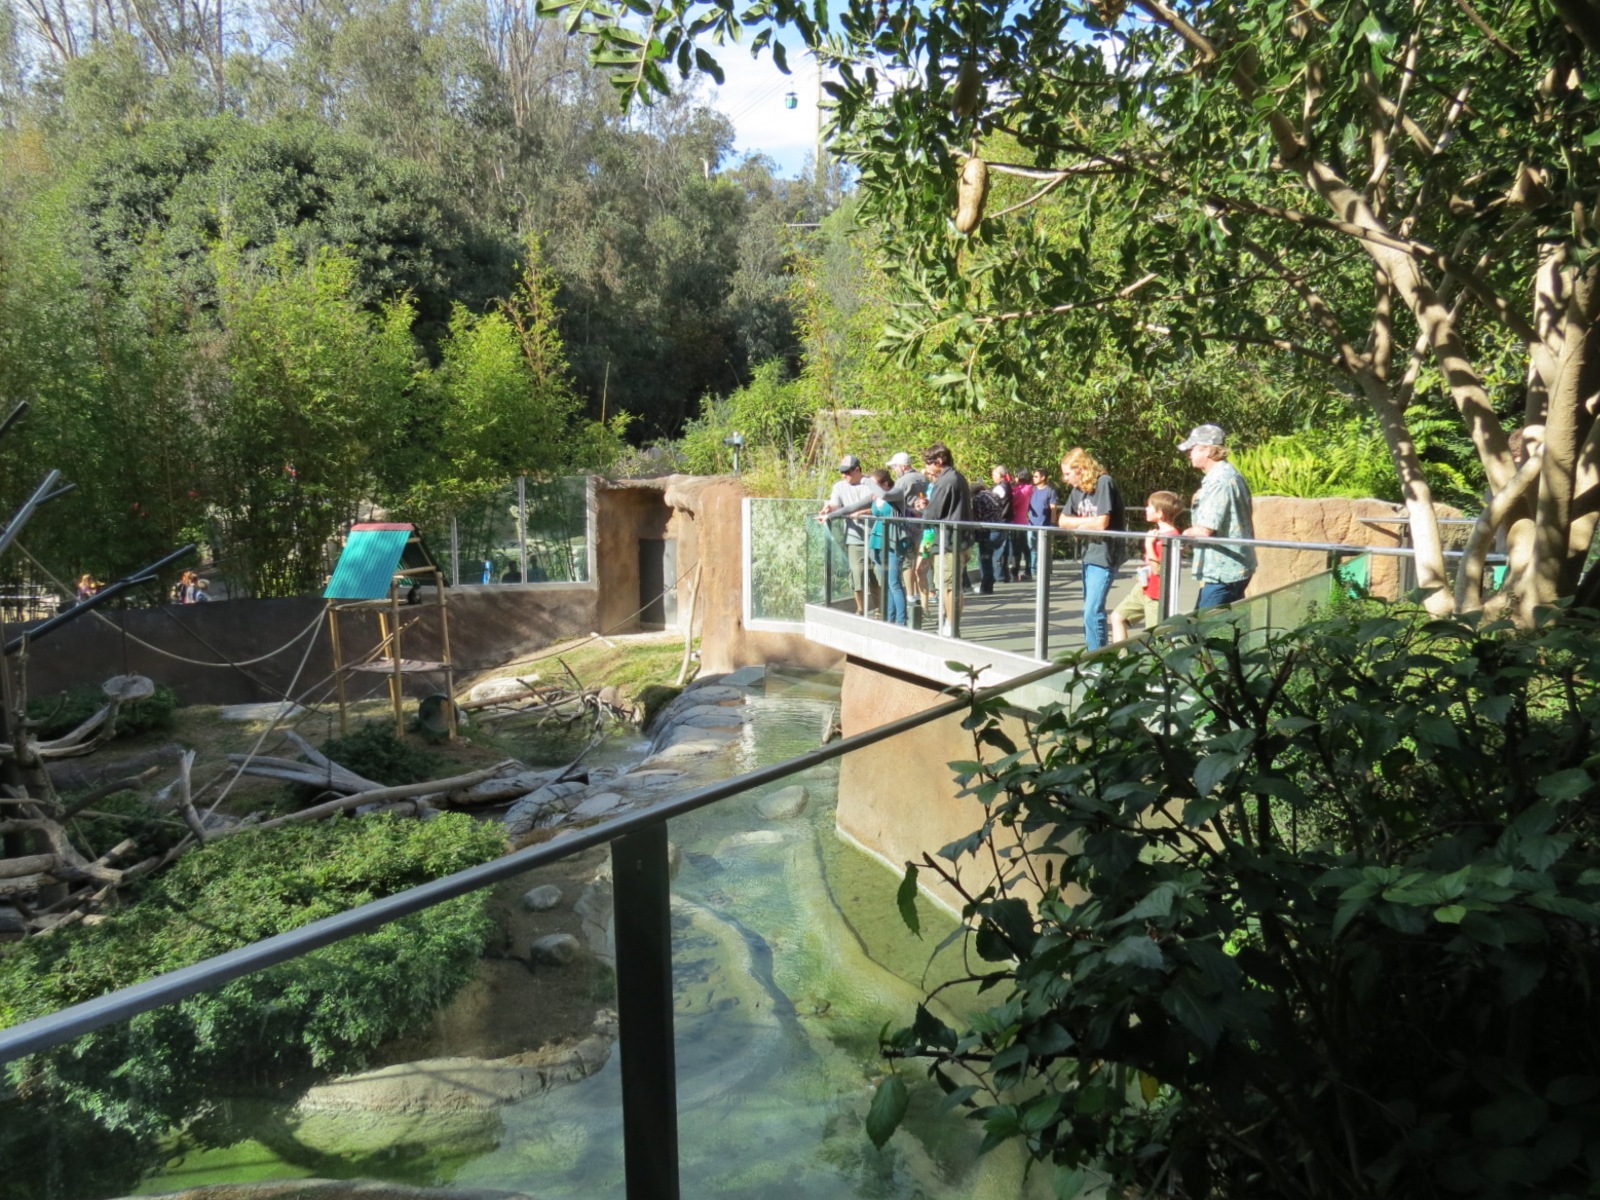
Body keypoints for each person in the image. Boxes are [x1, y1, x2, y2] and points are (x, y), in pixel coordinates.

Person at [1179, 424, 1257, 609]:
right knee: (1229, 621)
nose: (1189, 454)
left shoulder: (1219, 480)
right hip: (1232, 567)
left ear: (1207, 450)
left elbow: (1205, 529)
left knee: (1204, 623)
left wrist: (1180, 537)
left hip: (1224, 570)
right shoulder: (1227, 474)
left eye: (1192, 449)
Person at [1058, 447, 1128, 652]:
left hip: (1105, 554)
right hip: (1089, 554)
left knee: (1092, 611)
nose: (1065, 479)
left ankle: (1099, 659)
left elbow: (1102, 522)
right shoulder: (1077, 490)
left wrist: (1081, 525)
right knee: (1089, 610)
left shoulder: (1104, 482)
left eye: (1068, 473)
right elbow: (1062, 521)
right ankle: (1095, 654)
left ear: (1080, 469)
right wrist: (1087, 522)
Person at [1109, 491, 1183, 642]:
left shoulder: (1170, 537)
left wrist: (1148, 544)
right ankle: (1122, 656)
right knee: (1117, 617)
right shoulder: (1157, 533)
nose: (1146, 509)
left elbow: (1159, 570)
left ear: (1160, 513)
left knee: (1156, 638)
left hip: (1157, 595)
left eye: (1149, 506)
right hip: (1144, 588)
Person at [819, 454, 882, 614]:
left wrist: (864, 512)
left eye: (847, 472)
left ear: (857, 470)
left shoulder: (871, 484)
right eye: (842, 472)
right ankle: (860, 610)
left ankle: (881, 609)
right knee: (857, 575)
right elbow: (835, 505)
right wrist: (829, 509)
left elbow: (881, 507)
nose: (844, 475)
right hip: (854, 538)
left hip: (875, 537)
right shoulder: (839, 487)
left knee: (877, 576)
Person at [919, 442, 971, 633]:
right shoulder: (957, 477)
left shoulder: (946, 481)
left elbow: (931, 516)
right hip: (960, 540)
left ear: (939, 461)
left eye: (929, 463)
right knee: (953, 586)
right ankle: (951, 624)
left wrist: (923, 550)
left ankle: (951, 626)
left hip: (948, 542)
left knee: (948, 587)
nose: (927, 467)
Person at [866, 468, 910, 625]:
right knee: (885, 583)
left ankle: (902, 621)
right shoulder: (875, 496)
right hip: (877, 541)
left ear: (885, 483)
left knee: (894, 582)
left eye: (874, 484)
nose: (872, 488)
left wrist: (865, 480)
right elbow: (854, 506)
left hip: (893, 540)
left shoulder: (895, 493)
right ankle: (890, 619)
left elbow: (885, 495)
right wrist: (830, 513)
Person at [971, 472, 1010, 594]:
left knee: (984, 558)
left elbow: (978, 517)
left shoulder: (977, 499)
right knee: (990, 556)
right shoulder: (993, 495)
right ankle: (989, 584)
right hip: (1000, 529)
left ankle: (986, 586)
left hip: (987, 531)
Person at [1026, 467, 1060, 580]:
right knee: (1032, 547)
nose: (1033, 478)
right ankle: (1033, 569)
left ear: (1043, 477)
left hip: (1045, 525)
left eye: (1036, 476)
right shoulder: (1031, 489)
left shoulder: (1050, 490)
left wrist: (1052, 523)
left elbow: (1053, 508)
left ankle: (1046, 569)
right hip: (1031, 523)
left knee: (1045, 548)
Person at [1008, 467, 1034, 582]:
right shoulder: (1029, 488)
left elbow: (1013, 503)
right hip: (1024, 520)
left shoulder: (1020, 490)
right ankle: (1028, 570)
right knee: (1024, 547)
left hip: (1016, 521)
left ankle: (1014, 571)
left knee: (1016, 549)